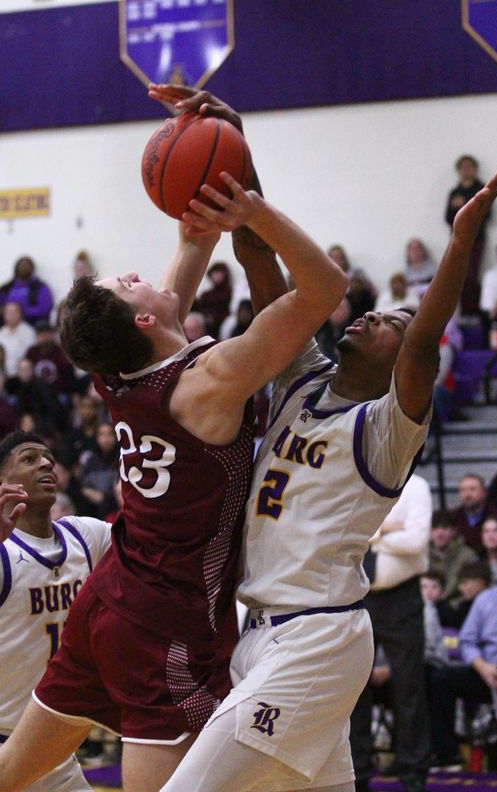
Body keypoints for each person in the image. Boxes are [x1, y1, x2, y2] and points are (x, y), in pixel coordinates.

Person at [156, 106, 497, 792]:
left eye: (387, 322)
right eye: (376, 311)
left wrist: (462, 238)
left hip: (315, 638)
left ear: (397, 361)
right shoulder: (302, 377)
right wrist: (230, 141)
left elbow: (422, 345)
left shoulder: (387, 429)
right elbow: (259, 257)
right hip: (259, 632)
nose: (371, 315)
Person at [0, 87, 347, 792]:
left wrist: (221, 137)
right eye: (127, 284)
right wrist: (257, 211)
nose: (139, 276)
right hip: (164, 619)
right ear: (140, 320)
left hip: (107, 599)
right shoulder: (210, 378)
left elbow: (194, 236)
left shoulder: (123, 373)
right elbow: (325, 288)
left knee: (10, 772)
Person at [0, 429, 111, 791]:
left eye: (48, 457)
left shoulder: (86, 536)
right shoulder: (3, 553)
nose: (46, 462)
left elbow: (151, 543)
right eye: (29, 459)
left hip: (52, 748)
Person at [351, 473, 433, 792]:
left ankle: (414, 773)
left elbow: (416, 541)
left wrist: (372, 532)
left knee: (409, 688)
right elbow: (345, 535)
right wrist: (388, 530)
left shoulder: (417, 486)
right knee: (355, 690)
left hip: (402, 598)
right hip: (358, 596)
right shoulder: (357, 481)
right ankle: (358, 772)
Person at [430, 541, 497, 776]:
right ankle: (448, 755)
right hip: (488, 674)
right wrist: (483, 668)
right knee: (440, 679)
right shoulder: (485, 599)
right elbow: (467, 640)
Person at [445, 154, 488, 316]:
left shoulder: (482, 189)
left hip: (476, 239)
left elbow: (486, 214)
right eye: (463, 167)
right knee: (457, 277)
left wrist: (462, 205)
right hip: (457, 240)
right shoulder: (454, 192)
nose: (466, 170)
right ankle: (460, 315)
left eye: (469, 166)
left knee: (471, 278)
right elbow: (447, 218)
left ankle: (472, 314)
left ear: (475, 169)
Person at [448, 472, 497, 551]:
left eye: (472, 489)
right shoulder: (452, 517)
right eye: (463, 490)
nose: (467, 495)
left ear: (484, 493)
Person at [428, 509, 478, 602]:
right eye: (435, 528)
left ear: (454, 531)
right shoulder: (422, 555)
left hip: (457, 607)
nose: (440, 532)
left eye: (445, 527)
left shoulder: (467, 556)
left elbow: (472, 589)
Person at [0, 257, 54, 327]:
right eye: (22, 266)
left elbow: (45, 309)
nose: (24, 268)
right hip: (8, 321)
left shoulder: (41, 287)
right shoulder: (6, 287)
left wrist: (22, 312)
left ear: (32, 268)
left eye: (26, 266)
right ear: (16, 268)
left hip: (32, 321)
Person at [0, 302, 36, 380]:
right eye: (8, 312)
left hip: (21, 376)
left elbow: (30, 354)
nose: (11, 315)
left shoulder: (28, 331)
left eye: (14, 312)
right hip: (3, 375)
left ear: (20, 314)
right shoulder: (1, 332)